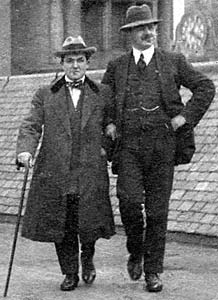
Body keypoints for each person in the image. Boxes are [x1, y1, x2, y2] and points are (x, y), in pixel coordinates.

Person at [102, 3, 215, 293]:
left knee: (157, 212)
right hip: (128, 146)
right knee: (127, 202)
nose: (149, 32)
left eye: (151, 27)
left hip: (162, 146)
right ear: (130, 34)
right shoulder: (116, 68)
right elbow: (103, 102)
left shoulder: (173, 61)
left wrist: (186, 118)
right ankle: (135, 249)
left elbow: (205, 87)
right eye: (142, 29)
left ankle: (153, 270)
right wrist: (110, 123)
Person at [16, 36, 116, 291]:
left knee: (90, 222)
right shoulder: (45, 94)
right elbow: (31, 124)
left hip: (90, 171)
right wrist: (25, 151)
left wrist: (106, 147)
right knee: (64, 223)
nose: (75, 66)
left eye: (80, 60)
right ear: (62, 64)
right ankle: (70, 272)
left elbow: (113, 126)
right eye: (69, 60)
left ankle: (88, 258)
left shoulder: (102, 93)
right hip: (58, 171)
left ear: (87, 63)